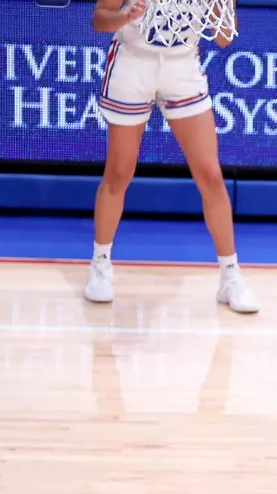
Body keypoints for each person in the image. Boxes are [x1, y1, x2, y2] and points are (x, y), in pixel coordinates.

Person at [86, 0, 257, 313]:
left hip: (182, 68)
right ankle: (100, 263)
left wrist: (223, 10)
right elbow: (99, 19)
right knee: (120, 171)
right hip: (133, 66)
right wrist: (124, 17)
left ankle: (230, 275)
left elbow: (224, 39)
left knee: (210, 174)